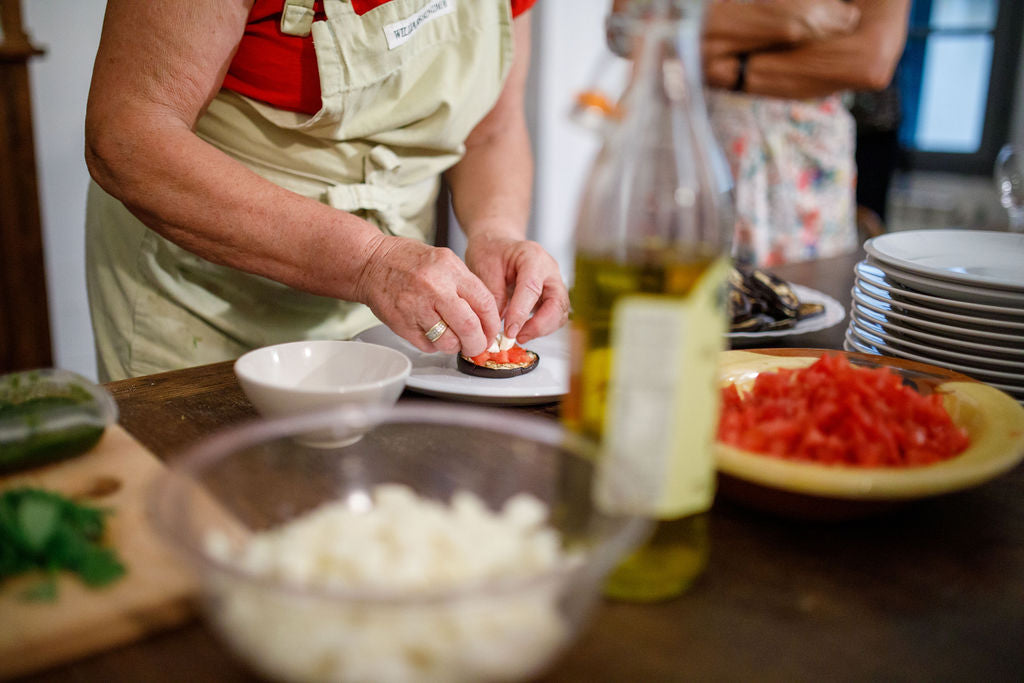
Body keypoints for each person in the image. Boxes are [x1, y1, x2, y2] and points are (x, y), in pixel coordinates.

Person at [83, 0, 569, 381]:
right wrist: (369, 261)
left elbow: (492, 130)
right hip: (207, 299)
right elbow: (128, 136)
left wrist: (496, 231)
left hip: (395, 311)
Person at [700, 0, 911, 266]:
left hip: (803, 173)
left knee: (804, 286)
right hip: (696, 150)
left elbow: (870, 62)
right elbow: (657, 31)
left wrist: (727, 67)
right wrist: (789, 20)